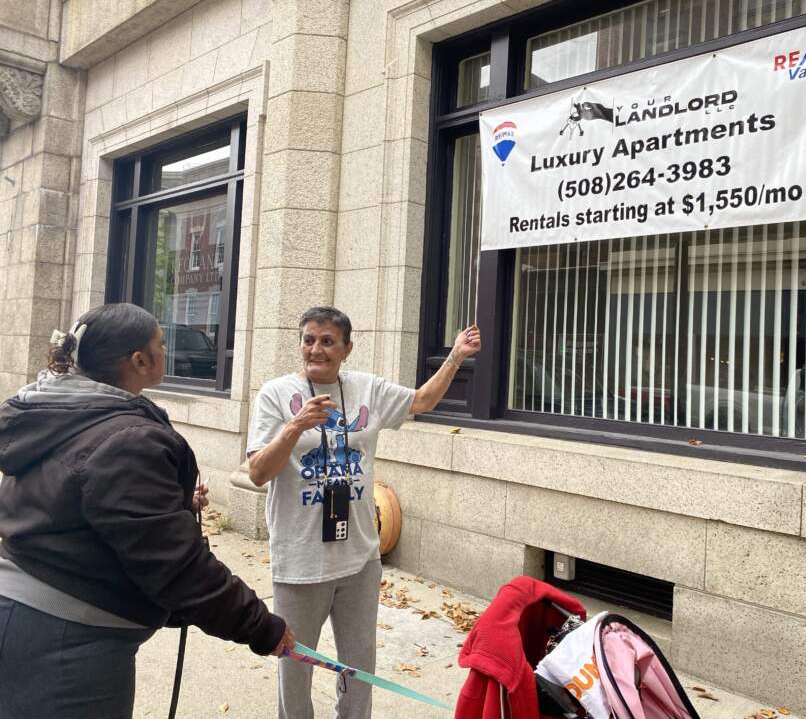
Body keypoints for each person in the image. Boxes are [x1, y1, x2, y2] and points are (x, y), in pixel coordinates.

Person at [0, 303, 295, 719]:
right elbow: (178, 567)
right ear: (140, 360)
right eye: (160, 342)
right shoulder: (125, 438)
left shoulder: (60, 411)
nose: (166, 349)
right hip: (69, 641)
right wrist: (263, 627)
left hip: (29, 618)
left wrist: (168, 505)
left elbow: (71, 500)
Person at [247, 306, 481, 719]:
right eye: (308, 340)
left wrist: (456, 356)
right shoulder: (276, 394)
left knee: (359, 668)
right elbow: (258, 472)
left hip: (358, 559)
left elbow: (422, 400)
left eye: (327, 341)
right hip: (300, 562)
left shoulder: (366, 389)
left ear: (346, 348)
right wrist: (295, 427)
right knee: (295, 669)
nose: (315, 349)